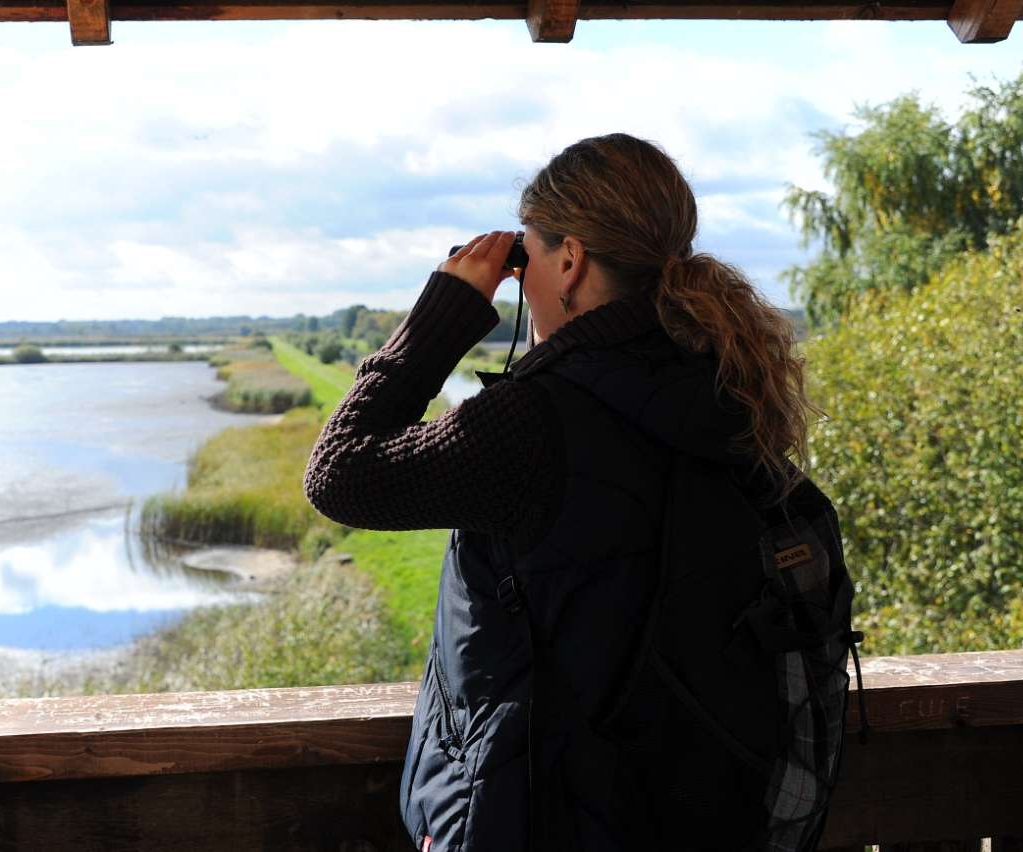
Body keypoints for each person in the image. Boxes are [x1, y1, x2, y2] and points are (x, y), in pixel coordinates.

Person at [304, 133, 846, 851]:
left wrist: (446, 310)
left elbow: (339, 475)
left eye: (524, 257)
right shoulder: (726, 394)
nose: (520, 280)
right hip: (704, 814)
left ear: (571, 260)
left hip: (543, 820)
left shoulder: (533, 423)